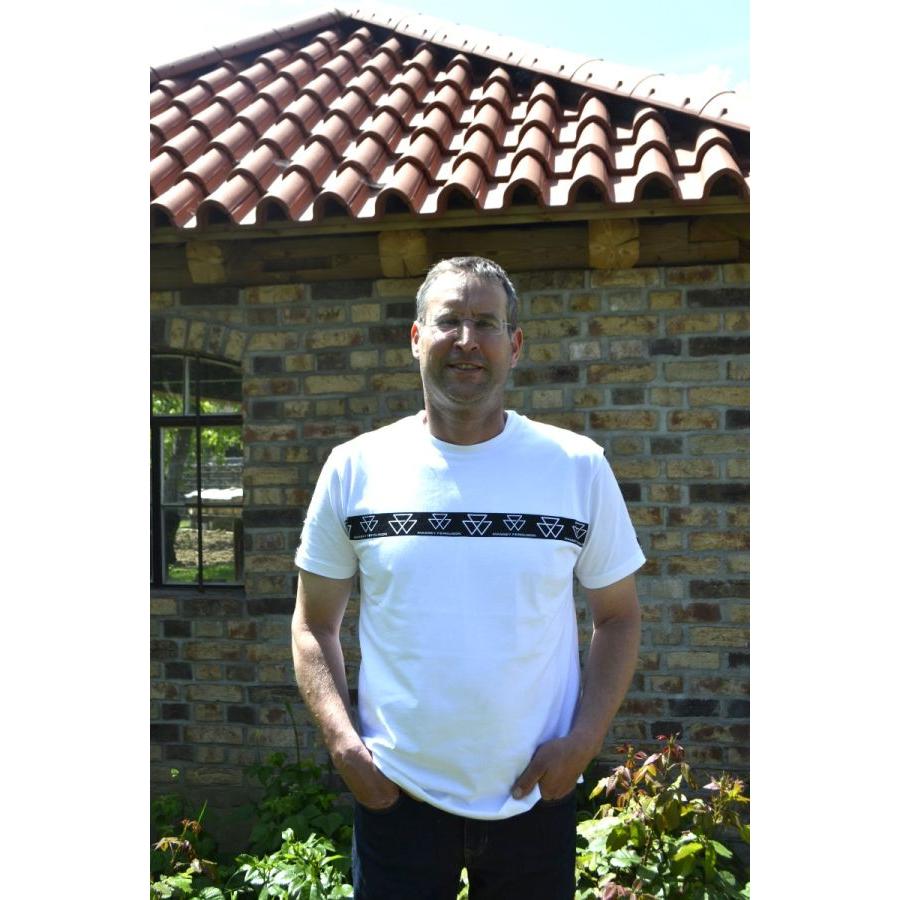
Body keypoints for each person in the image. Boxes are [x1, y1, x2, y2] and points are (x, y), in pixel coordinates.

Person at [291, 256, 645, 900]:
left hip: (534, 794)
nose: (466, 340)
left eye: (485, 323)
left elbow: (618, 616)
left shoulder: (576, 466)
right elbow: (314, 623)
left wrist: (584, 743)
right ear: (416, 338)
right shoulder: (355, 468)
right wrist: (344, 747)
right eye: (448, 320)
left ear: (513, 345)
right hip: (396, 794)